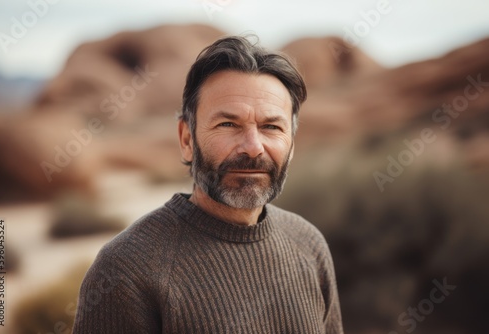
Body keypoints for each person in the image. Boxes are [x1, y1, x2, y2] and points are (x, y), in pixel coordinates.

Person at [73, 35, 343, 334]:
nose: (253, 147)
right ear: (187, 139)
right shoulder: (126, 270)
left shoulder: (309, 244)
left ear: (292, 144)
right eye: (228, 124)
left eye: (271, 127)